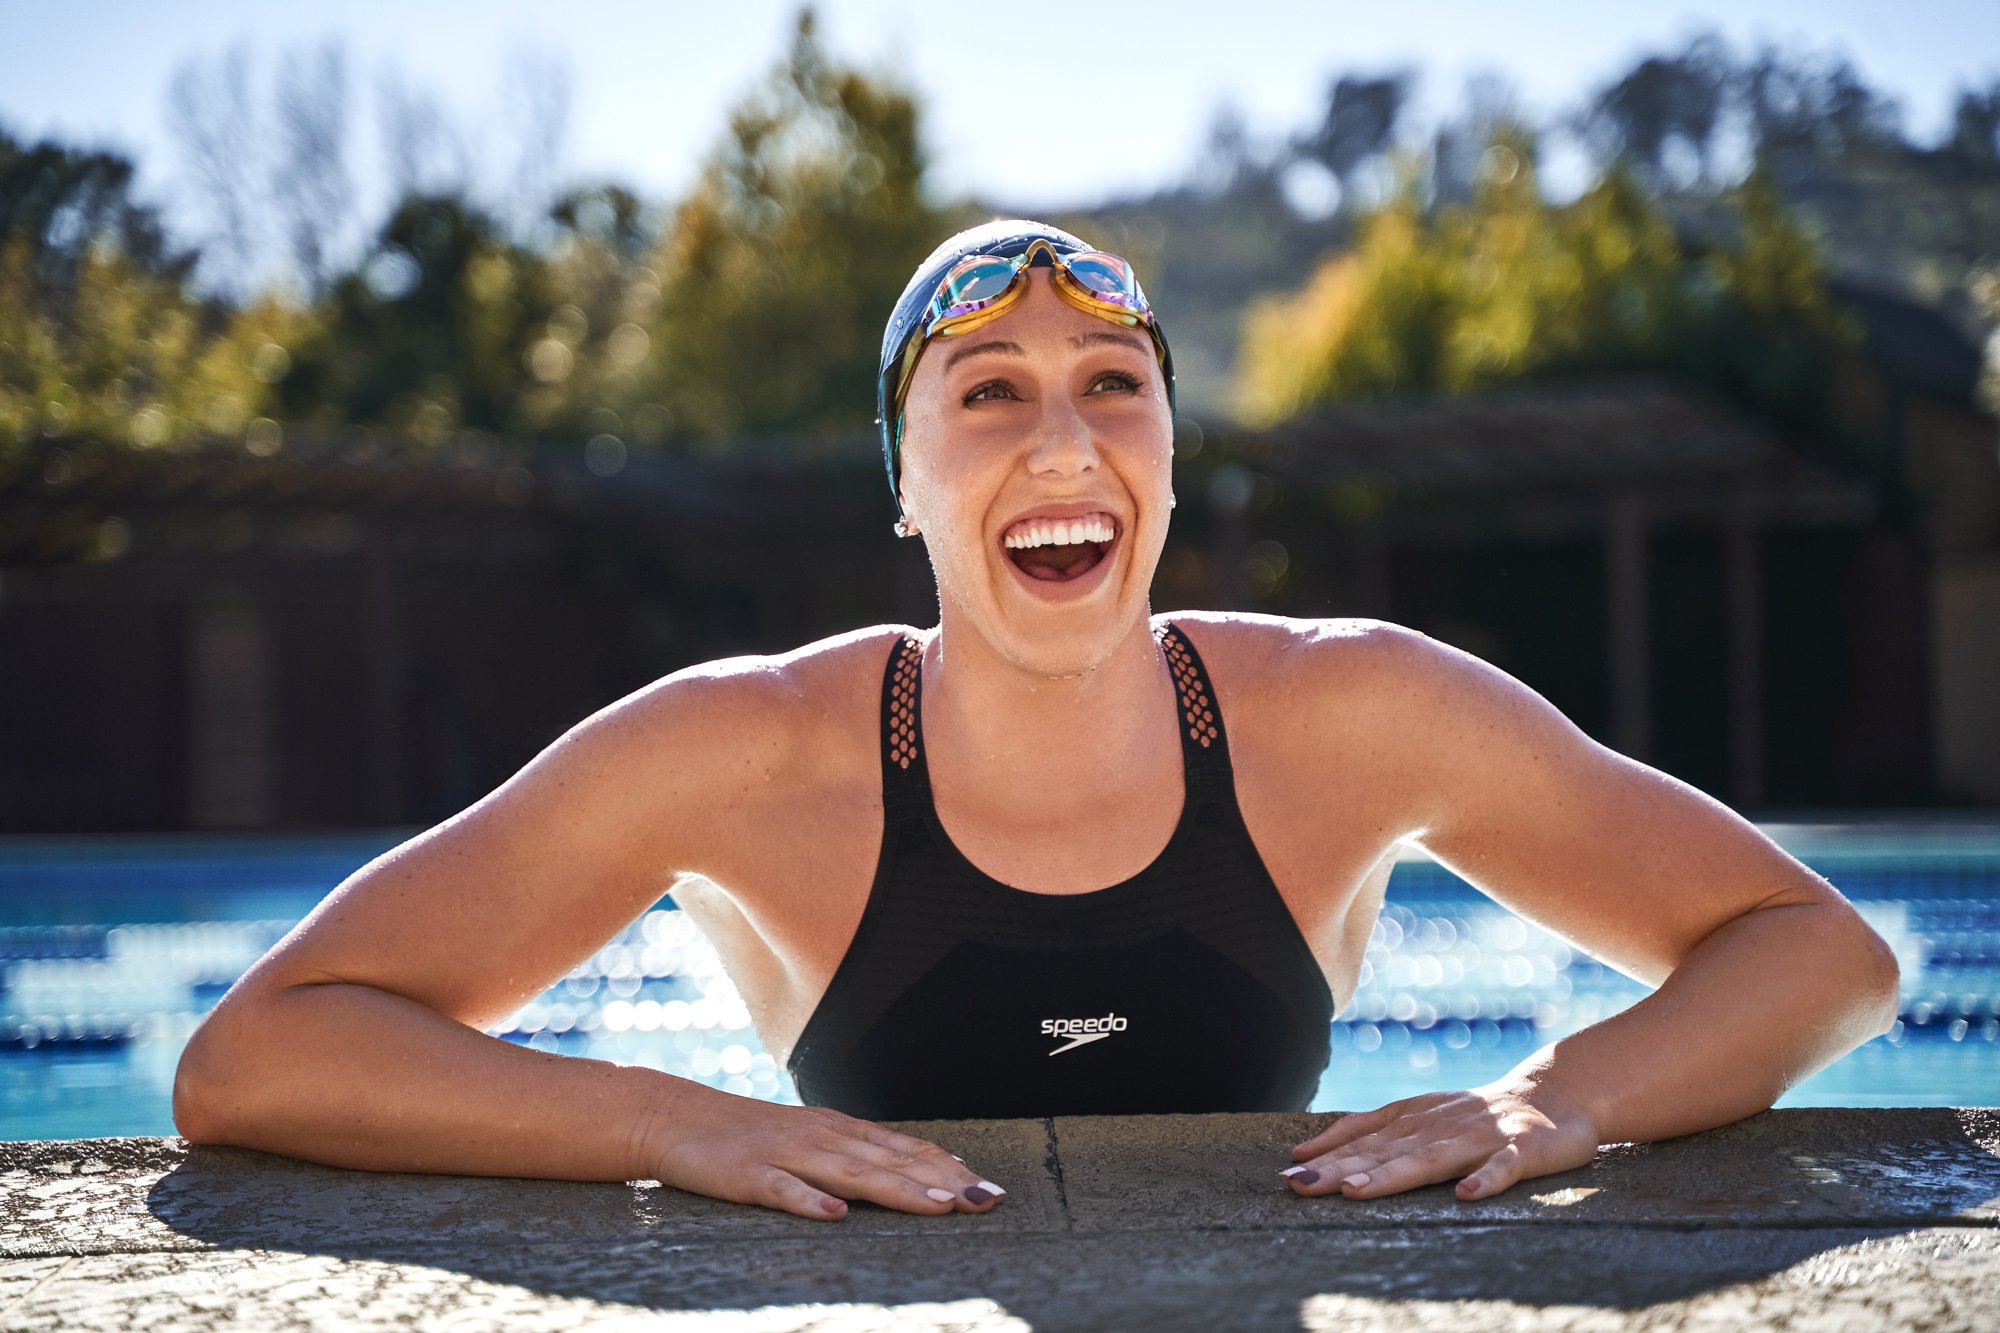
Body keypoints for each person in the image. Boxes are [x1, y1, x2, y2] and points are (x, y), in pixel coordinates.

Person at [173, 219, 1901, 1223]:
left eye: (1113, 390)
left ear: (1161, 455)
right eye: (987, 395)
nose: (1062, 446)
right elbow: (256, 1054)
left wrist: (1560, 1096)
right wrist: (662, 1119)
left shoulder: (1350, 710)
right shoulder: (742, 749)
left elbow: (1818, 953)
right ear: (906, 489)